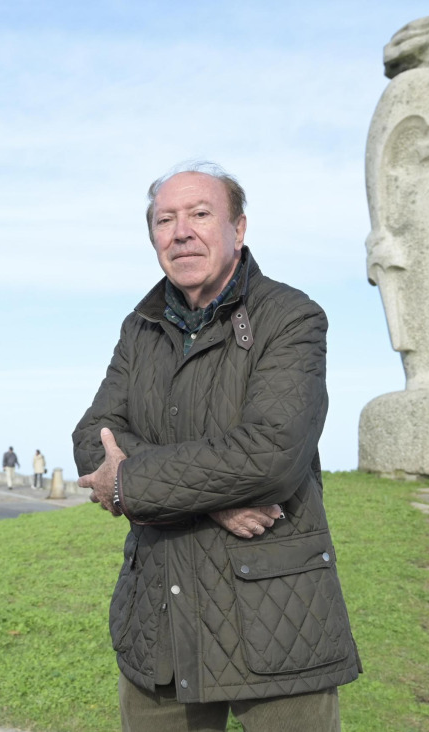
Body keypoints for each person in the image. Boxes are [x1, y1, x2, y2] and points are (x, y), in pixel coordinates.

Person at [73, 162, 359, 731]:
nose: (181, 232)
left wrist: (130, 483)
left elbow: (270, 454)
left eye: (200, 214)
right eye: (164, 220)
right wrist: (215, 496)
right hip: (159, 616)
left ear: (239, 228)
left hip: (274, 618)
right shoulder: (141, 328)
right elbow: (92, 440)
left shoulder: (292, 317)